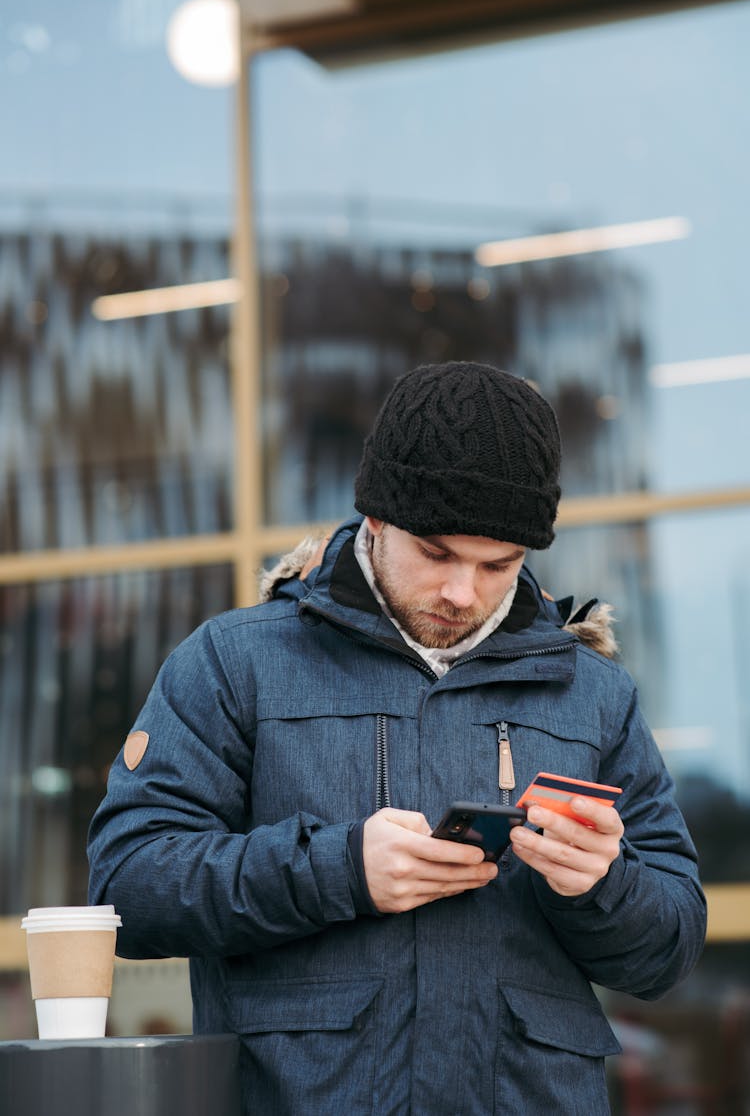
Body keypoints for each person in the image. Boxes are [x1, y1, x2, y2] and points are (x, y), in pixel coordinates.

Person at [87, 361, 706, 1115]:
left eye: (498, 565)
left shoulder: (594, 694)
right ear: (375, 520)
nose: (462, 592)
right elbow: (128, 886)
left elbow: (670, 948)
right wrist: (341, 871)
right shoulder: (235, 662)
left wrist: (601, 886)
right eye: (438, 553)